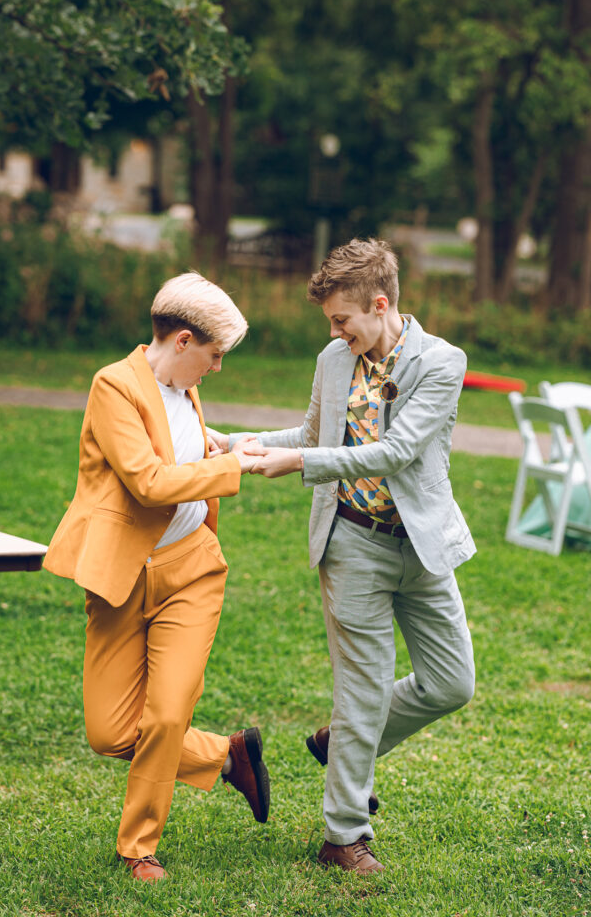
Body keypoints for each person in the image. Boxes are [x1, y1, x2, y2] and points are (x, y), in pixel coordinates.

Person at [214, 238, 476, 877]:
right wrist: (242, 441)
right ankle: (343, 836)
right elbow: (312, 434)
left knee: (452, 683)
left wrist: (299, 463)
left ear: (380, 304)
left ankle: (344, 742)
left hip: (421, 544)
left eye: (342, 320)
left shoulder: (442, 362)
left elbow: (397, 451)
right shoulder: (335, 359)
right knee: (362, 691)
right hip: (352, 542)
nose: (335, 333)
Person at [43, 272, 269, 884]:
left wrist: (219, 443)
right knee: (110, 732)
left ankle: (138, 848)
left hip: (192, 572)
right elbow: (147, 481)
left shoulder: (184, 387)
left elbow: (177, 444)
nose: (217, 368)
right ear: (184, 341)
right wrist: (232, 465)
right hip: (122, 574)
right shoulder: (114, 385)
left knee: (166, 717)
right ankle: (226, 757)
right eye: (215, 355)